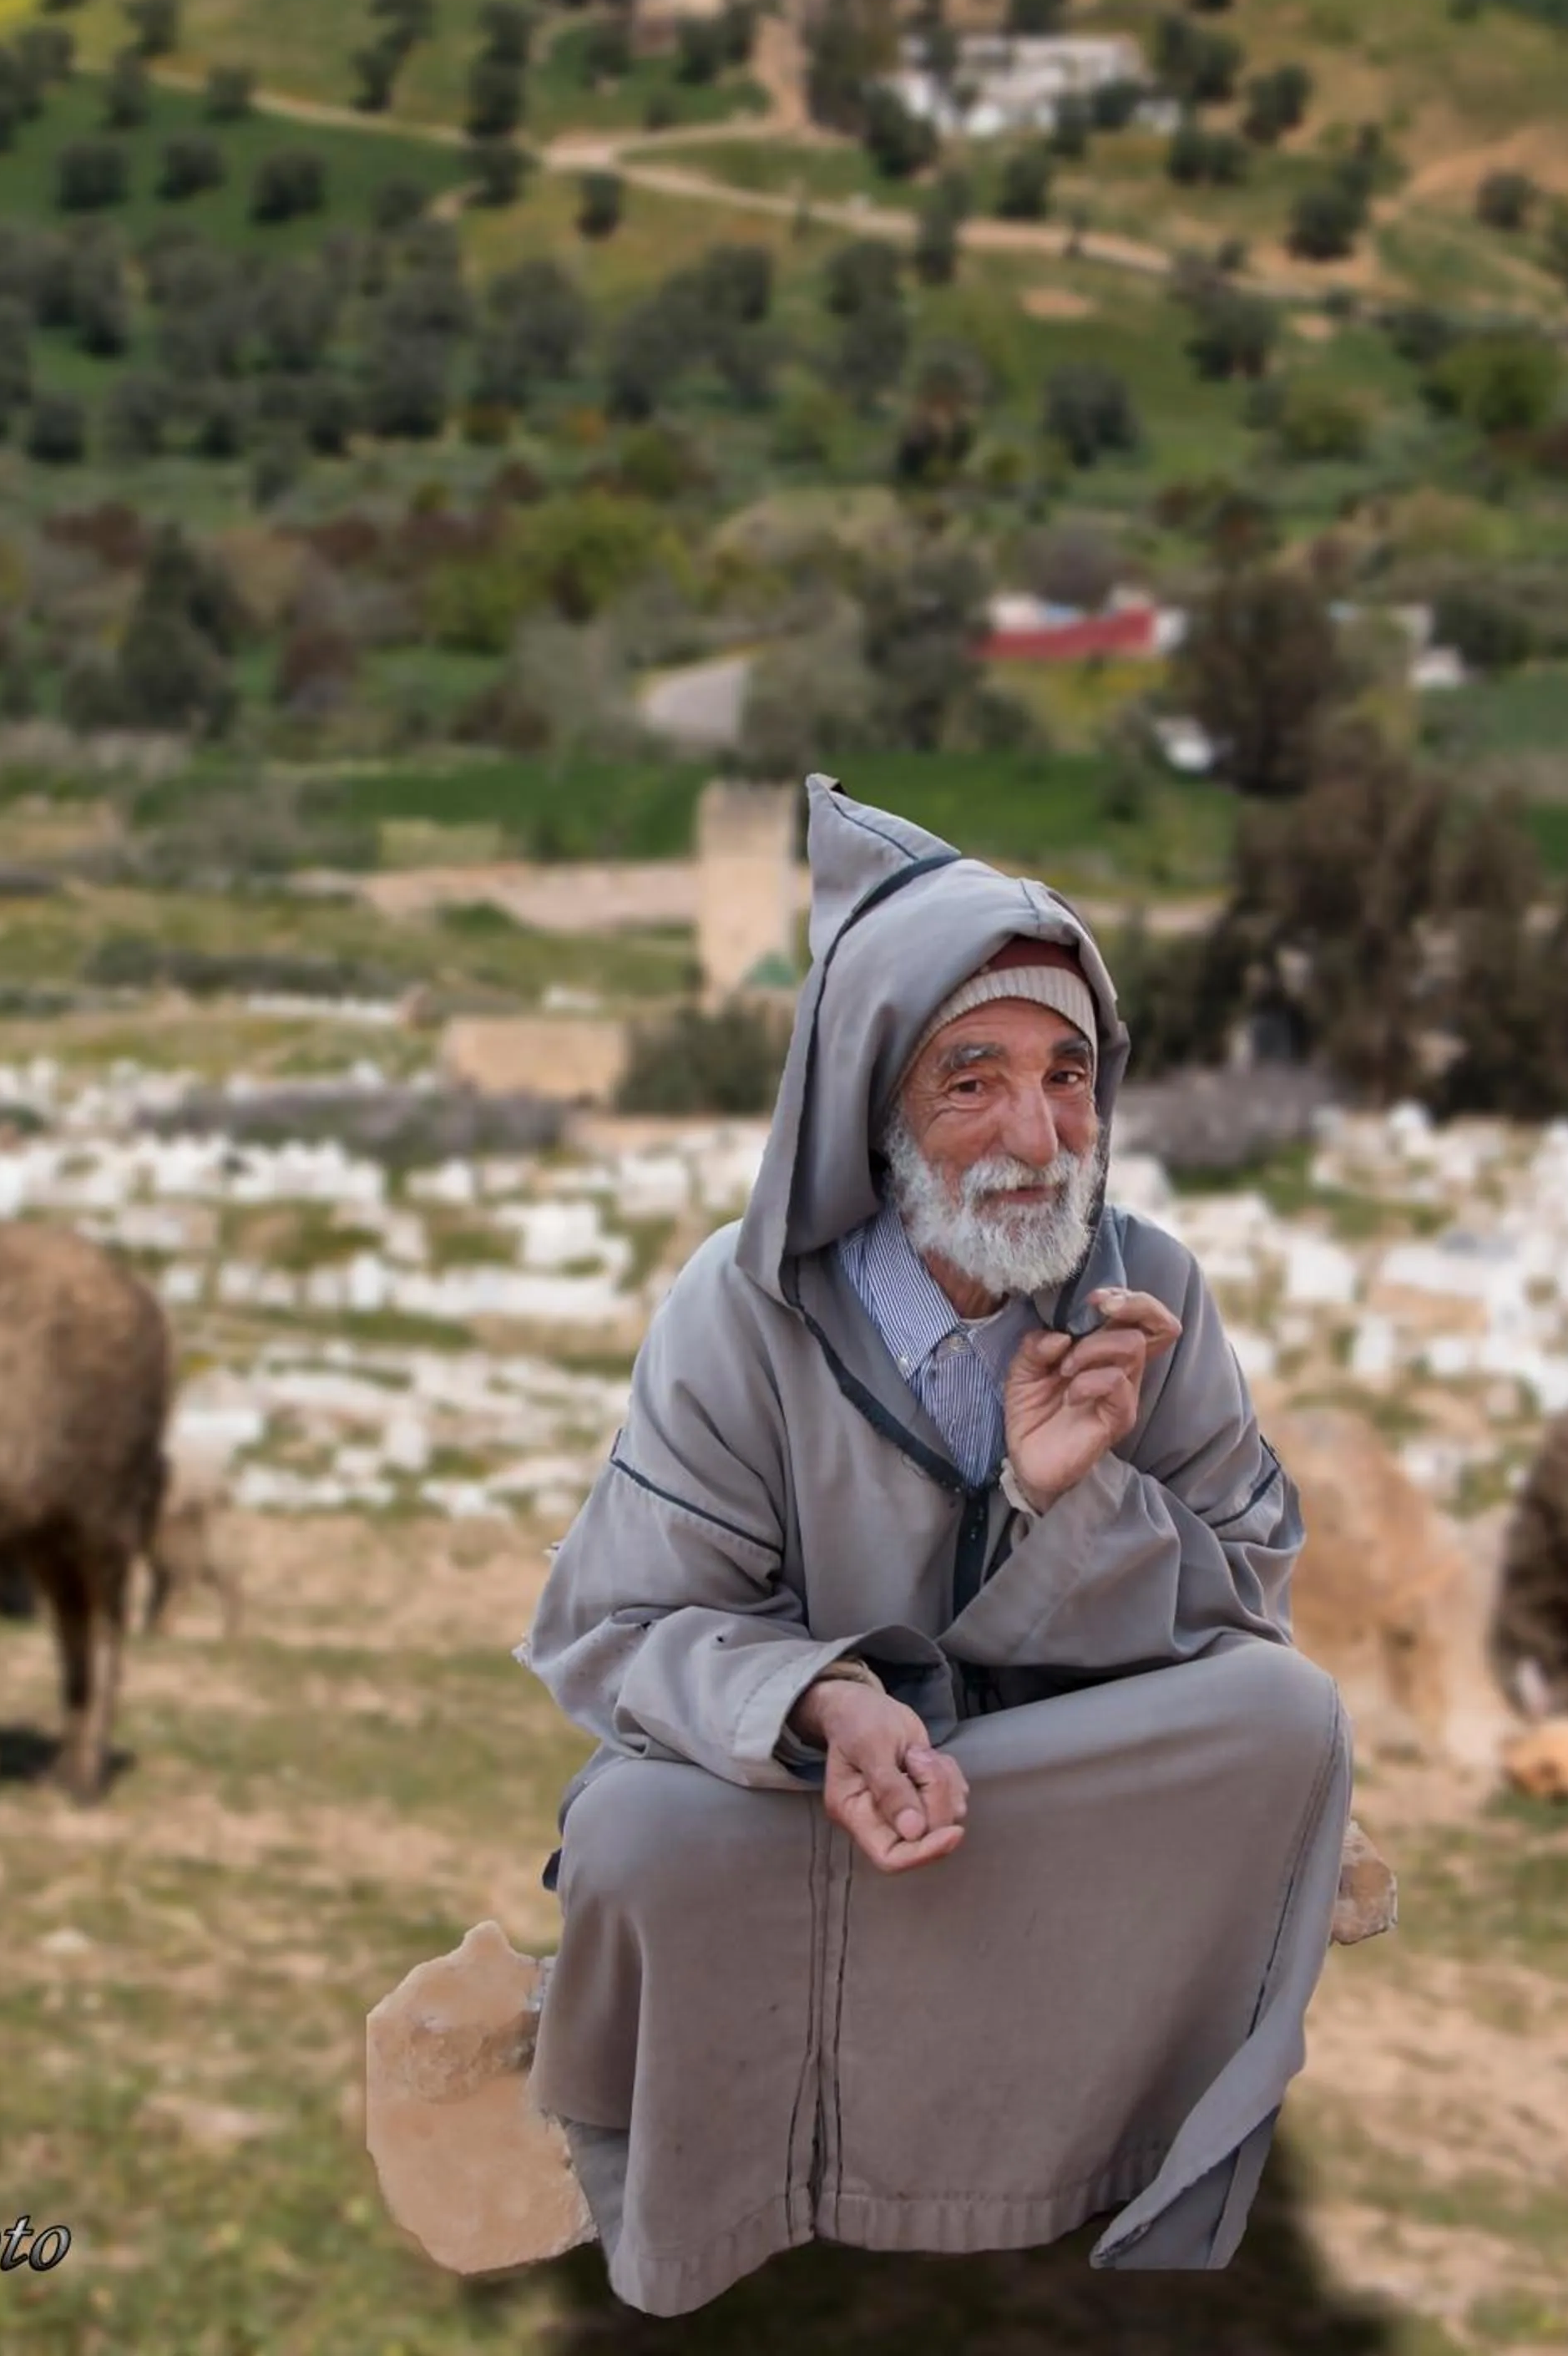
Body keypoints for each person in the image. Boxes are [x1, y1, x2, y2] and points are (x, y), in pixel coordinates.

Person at [518, 776, 1351, 2317]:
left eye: (1069, 1075)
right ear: (870, 1103)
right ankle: (755, 2191)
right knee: (636, 1840)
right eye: (970, 1080)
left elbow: (1252, 1604)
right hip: (812, 1801)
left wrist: (1072, 1504)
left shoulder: (1147, 1289)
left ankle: (1088, 2157)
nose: (1037, 1138)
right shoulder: (744, 1310)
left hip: (1035, 1787)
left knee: (1288, 1722)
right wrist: (828, 1705)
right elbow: (622, 1624)